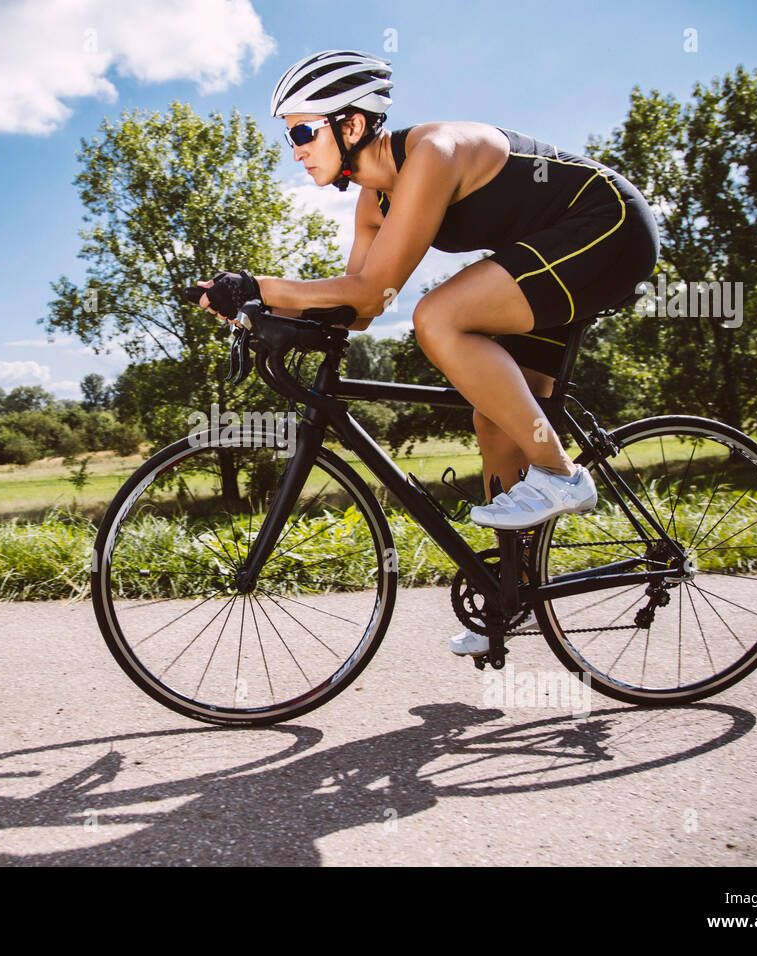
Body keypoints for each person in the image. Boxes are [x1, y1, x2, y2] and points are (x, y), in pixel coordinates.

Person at [193, 49, 660, 657]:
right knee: (493, 417)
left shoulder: (431, 155)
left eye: (304, 132)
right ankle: (508, 599)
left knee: (439, 317)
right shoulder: (372, 203)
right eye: (291, 138)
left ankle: (562, 474)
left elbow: (366, 292)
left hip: (608, 227)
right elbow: (361, 307)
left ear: (352, 126)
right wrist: (260, 311)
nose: (297, 149)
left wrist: (259, 285)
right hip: (549, 254)